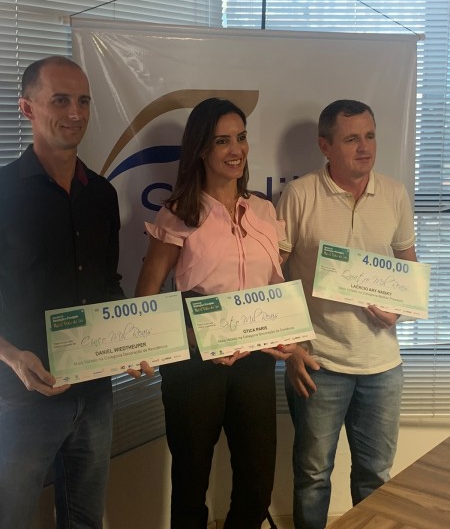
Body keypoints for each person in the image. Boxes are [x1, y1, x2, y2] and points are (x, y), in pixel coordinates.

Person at [134, 97, 296, 529]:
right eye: (222, 141)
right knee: (191, 486)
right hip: (194, 365)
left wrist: (288, 334)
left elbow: (274, 289)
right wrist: (192, 339)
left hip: (255, 363)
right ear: (201, 149)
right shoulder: (178, 214)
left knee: (257, 485)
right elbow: (146, 297)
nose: (235, 150)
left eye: (240, 137)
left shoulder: (264, 211)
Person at [276, 100, 417, 529]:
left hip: (382, 365)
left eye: (369, 136)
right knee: (313, 477)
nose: (364, 147)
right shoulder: (300, 195)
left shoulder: (394, 193)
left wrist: (399, 310)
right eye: (351, 138)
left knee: (376, 477)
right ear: (325, 146)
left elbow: (408, 268)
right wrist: (292, 347)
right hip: (319, 362)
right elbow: (273, 277)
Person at [0, 56, 124, 528]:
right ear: (27, 108)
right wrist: (12, 356)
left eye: (83, 101)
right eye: (60, 100)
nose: (75, 113)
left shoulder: (103, 195)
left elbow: (108, 285)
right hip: (20, 393)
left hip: (95, 391)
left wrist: (137, 339)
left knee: (85, 520)